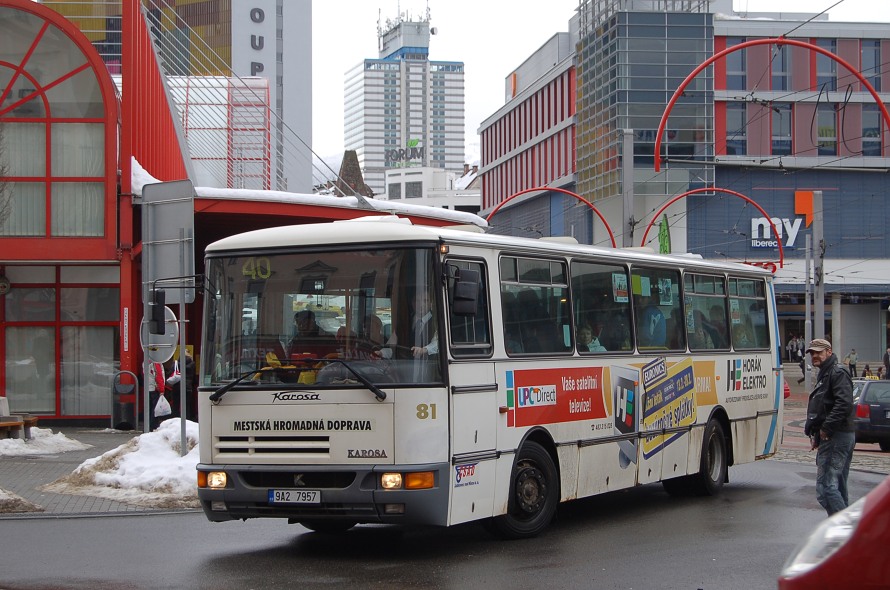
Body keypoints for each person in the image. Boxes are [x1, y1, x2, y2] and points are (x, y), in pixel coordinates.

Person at [803, 338, 855, 516]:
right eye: (812, 353)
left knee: (825, 488)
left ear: (829, 352)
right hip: (837, 435)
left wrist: (826, 429)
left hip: (836, 436)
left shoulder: (836, 372)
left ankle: (845, 531)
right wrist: (817, 434)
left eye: (819, 352)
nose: (815, 356)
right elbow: (826, 406)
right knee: (838, 486)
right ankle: (847, 533)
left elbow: (844, 403)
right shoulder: (827, 373)